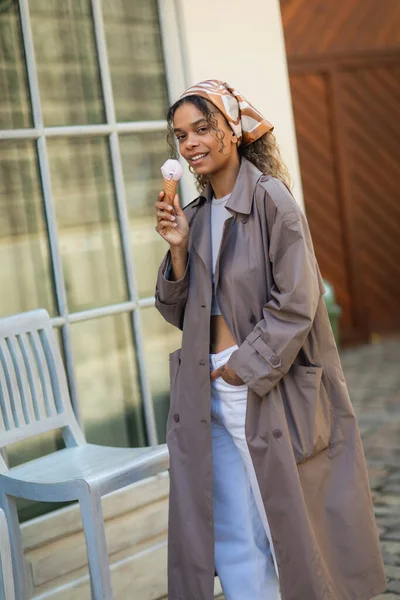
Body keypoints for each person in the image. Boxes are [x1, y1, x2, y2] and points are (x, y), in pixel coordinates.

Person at [154, 80, 386, 600]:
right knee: (233, 528)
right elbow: (176, 311)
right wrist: (177, 251)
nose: (189, 143)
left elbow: (298, 301)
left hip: (258, 382)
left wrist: (242, 365)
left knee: (284, 522)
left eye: (201, 129)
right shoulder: (194, 214)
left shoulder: (271, 201)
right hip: (204, 388)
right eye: (180, 135)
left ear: (231, 131)